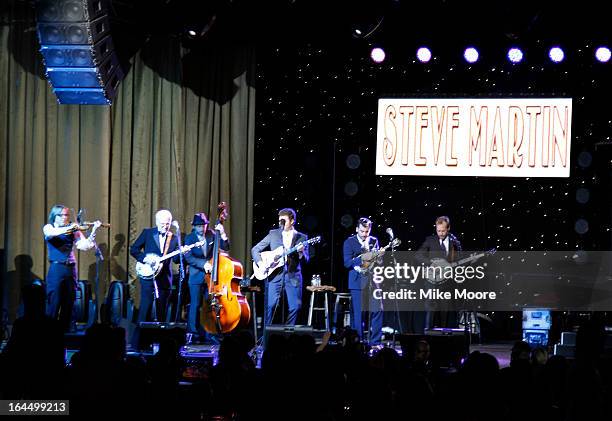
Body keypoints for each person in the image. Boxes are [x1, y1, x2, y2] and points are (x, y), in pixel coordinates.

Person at [43, 205, 101, 331]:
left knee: (69, 300)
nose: (66, 217)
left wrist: (94, 230)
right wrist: (71, 227)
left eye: (67, 215)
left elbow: (85, 246)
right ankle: (49, 331)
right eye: (63, 215)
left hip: (70, 268)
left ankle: (66, 331)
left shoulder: (73, 230)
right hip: (56, 268)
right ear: (55, 216)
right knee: (54, 300)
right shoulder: (49, 227)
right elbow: (52, 233)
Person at [251, 208, 309, 326]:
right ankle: (267, 336)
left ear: (292, 221)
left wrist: (301, 252)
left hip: (293, 276)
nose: (281, 224)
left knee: (295, 306)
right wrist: (261, 264)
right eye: (279, 221)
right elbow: (255, 249)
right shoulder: (273, 234)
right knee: (270, 305)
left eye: (284, 221)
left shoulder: (301, 237)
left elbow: (307, 259)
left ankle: (287, 333)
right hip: (275, 274)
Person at [184, 212, 230, 344]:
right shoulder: (189, 238)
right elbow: (189, 258)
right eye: (198, 226)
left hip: (211, 276)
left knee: (210, 305)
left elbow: (225, 247)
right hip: (196, 276)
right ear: (194, 226)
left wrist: (222, 233)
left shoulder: (212, 234)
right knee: (195, 304)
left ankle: (209, 333)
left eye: (203, 225)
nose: (201, 228)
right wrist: (203, 264)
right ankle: (193, 333)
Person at [130, 209, 180, 323]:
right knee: (144, 310)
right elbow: (134, 249)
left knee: (161, 313)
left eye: (167, 224)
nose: (165, 226)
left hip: (164, 279)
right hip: (148, 277)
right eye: (162, 224)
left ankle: (159, 338)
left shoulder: (174, 238)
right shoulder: (147, 233)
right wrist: (145, 259)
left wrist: (182, 253)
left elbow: (176, 260)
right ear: (157, 222)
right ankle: (140, 339)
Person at [415, 215, 462, 330]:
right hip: (432, 281)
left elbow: (458, 260)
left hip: (447, 282)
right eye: (438, 230)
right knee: (431, 308)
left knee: (445, 310)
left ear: (448, 228)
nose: (440, 233)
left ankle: (444, 336)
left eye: (443, 230)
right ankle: (428, 334)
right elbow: (418, 255)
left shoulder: (454, 242)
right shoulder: (430, 240)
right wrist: (431, 263)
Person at [342, 217, 384, 344]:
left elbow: (378, 262)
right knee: (359, 314)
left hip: (372, 281)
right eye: (362, 231)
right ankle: (358, 342)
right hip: (356, 281)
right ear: (357, 229)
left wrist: (379, 257)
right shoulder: (349, 242)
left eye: (367, 232)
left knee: (378, 309)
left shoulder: (374, 241)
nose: (365, 235)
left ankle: (375, 342)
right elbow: (347, 263)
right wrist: (363, 257)